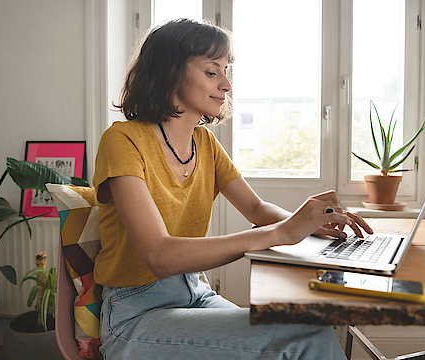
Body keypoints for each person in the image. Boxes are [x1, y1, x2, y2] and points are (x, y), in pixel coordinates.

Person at [93, 18, 373, 360]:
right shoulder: (122, 140)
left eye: (227, 71)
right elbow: (159, 256)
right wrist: (281, 232)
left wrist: (310, 223)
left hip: (195, 294)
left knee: (308, 331)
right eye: (212, 72)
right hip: (135, 314)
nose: (226, 84)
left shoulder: (205, 143)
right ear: (169, 72)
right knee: (307, 338)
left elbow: (256, 210)